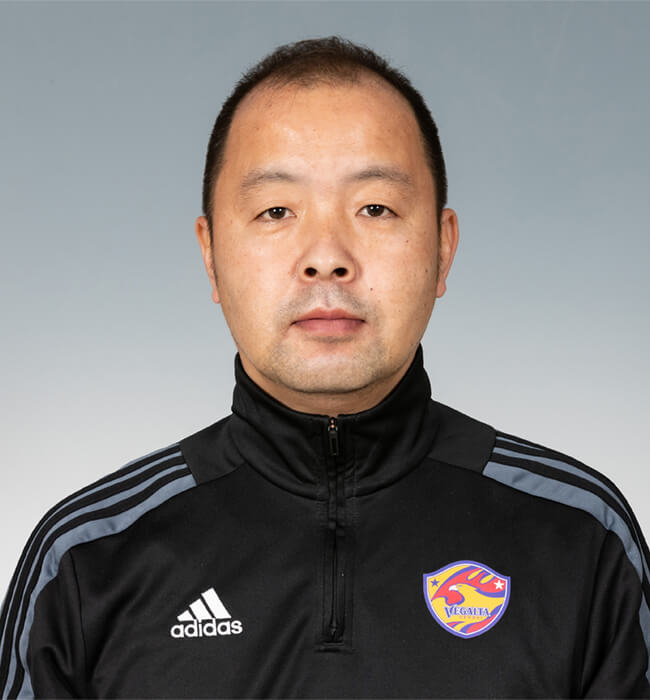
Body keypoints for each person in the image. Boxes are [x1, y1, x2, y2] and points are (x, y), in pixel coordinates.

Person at [1, 34, 649, 699]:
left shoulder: (581, 537)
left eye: (375, 208)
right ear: (211, 255)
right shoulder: (85, 561)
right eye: (276, 211)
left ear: (443, 249)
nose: (327, 257)